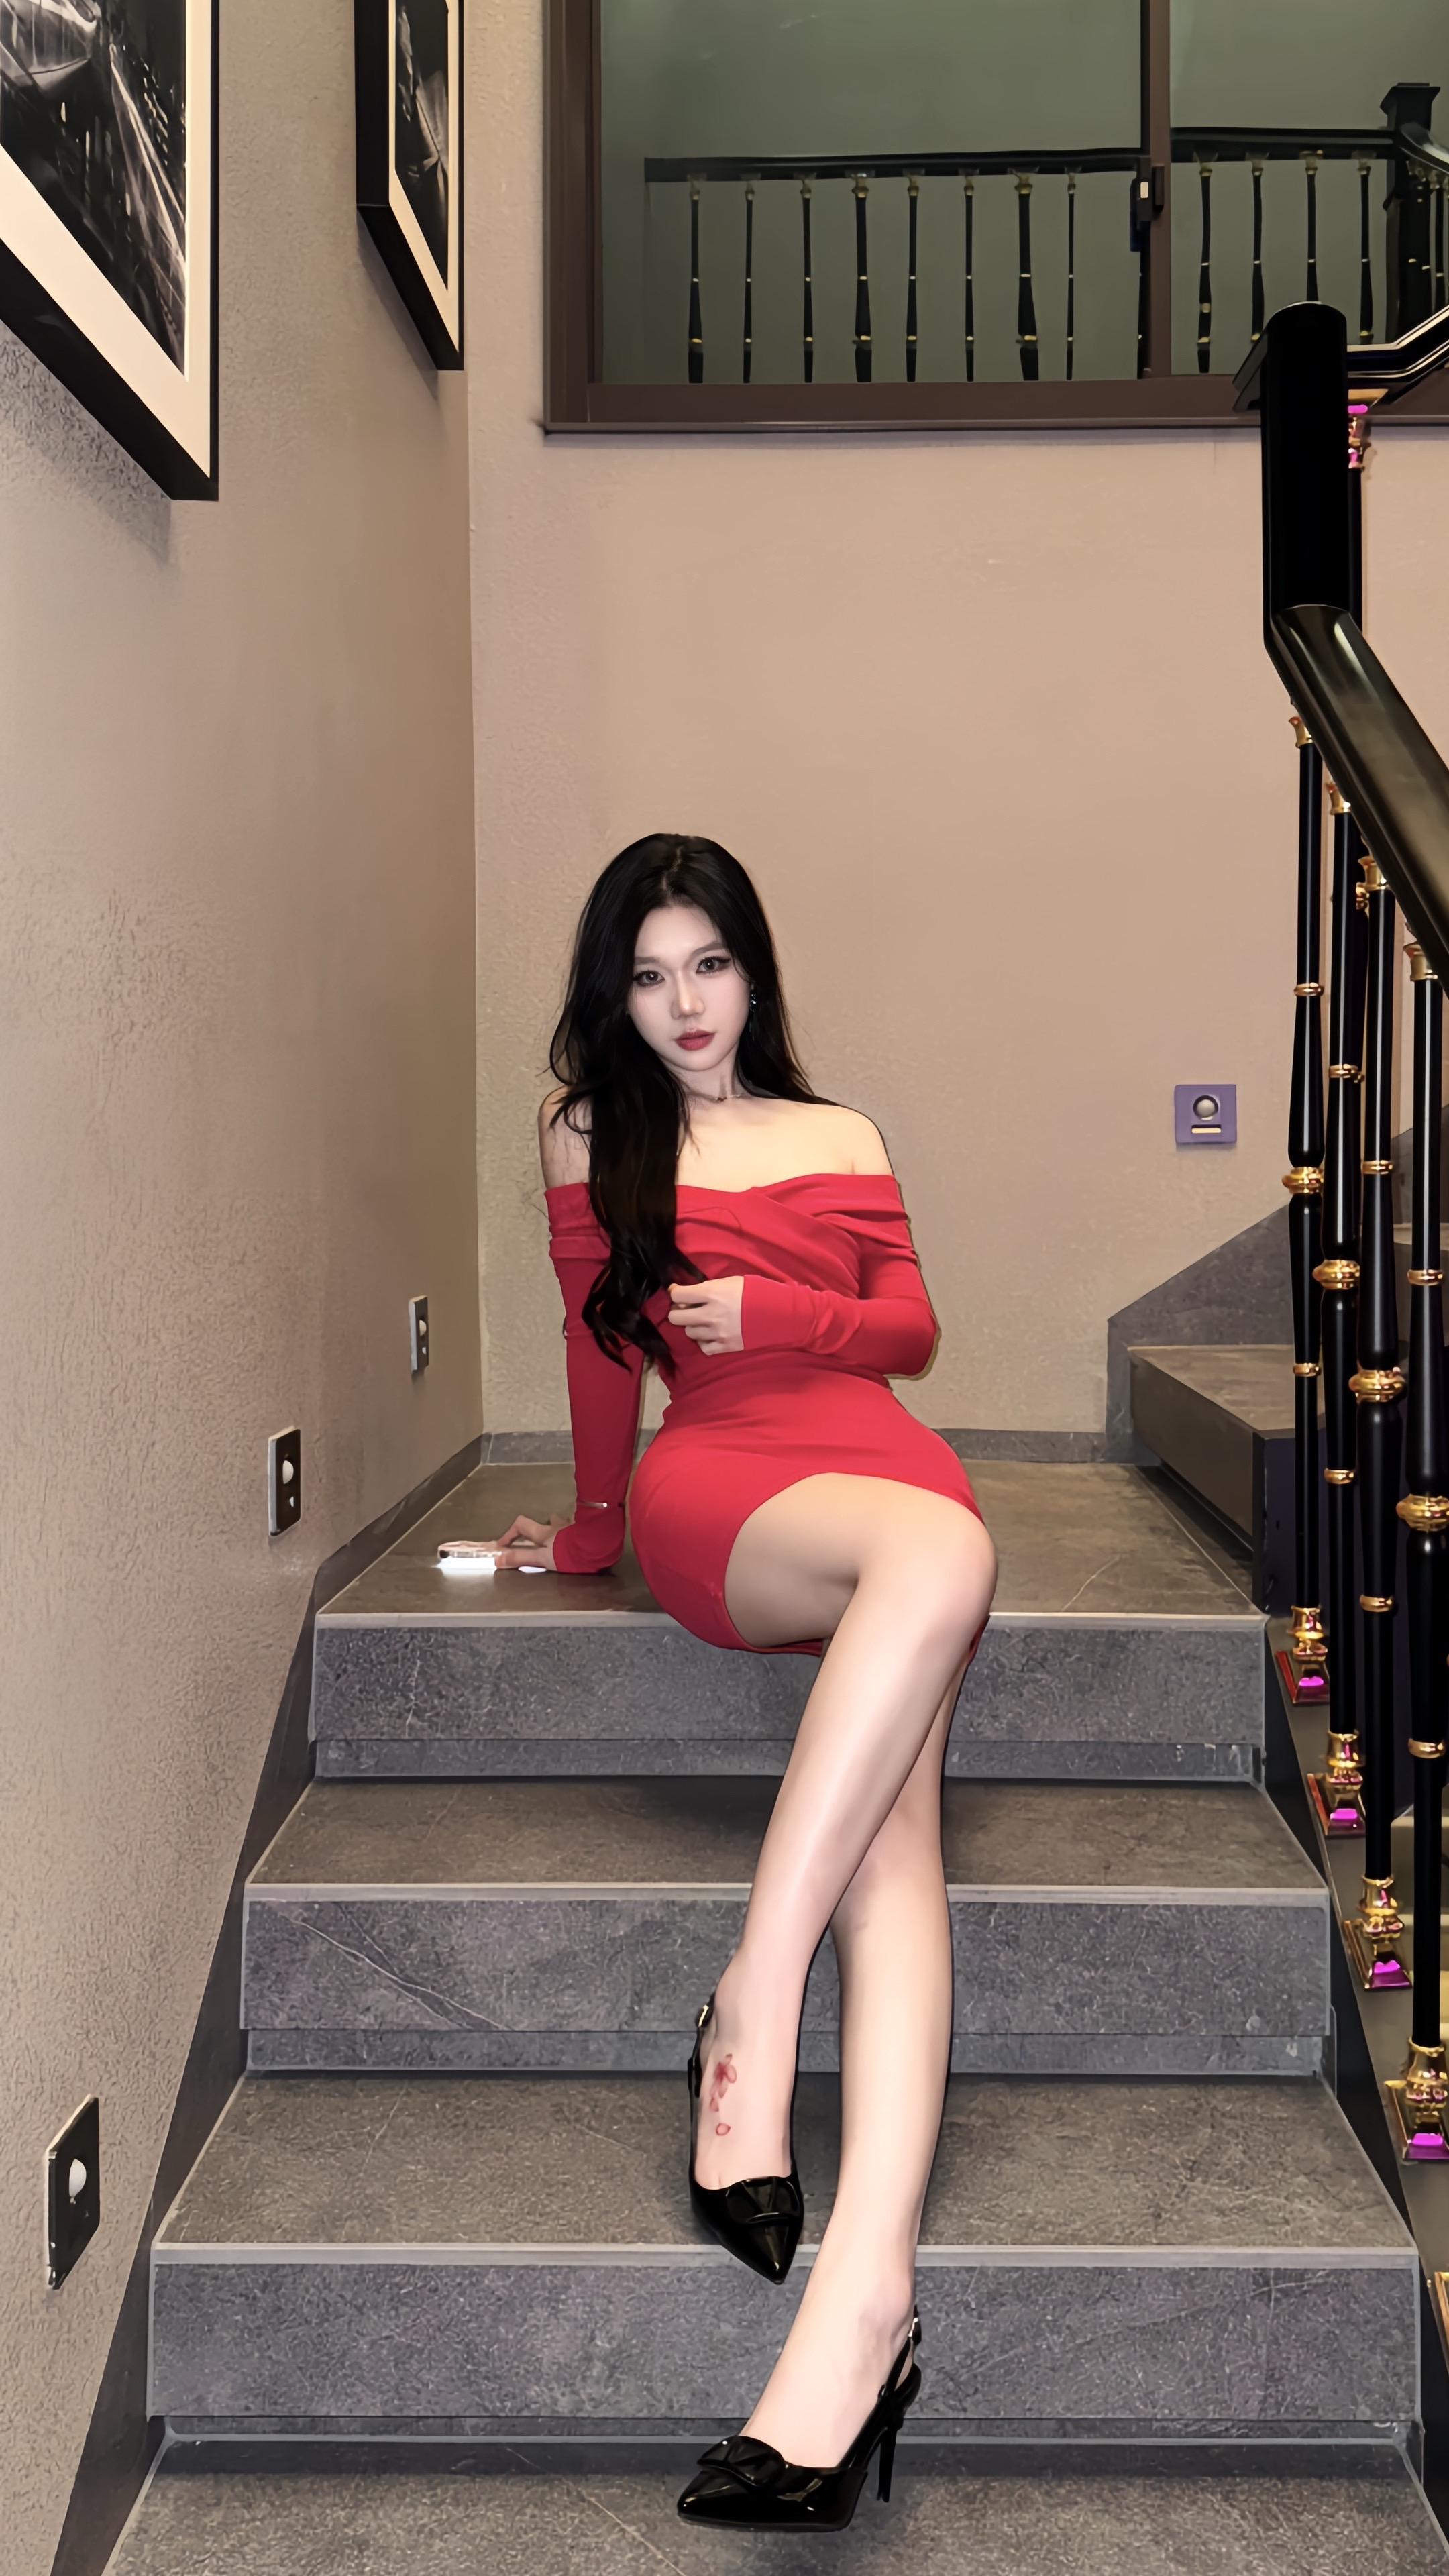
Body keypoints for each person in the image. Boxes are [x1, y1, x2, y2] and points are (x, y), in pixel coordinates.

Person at [482, 833, 997, 2530]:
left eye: (708, 964)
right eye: (648, 976)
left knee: (902, 1844)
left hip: (876, 1464)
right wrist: (591, 1529)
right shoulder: (589, 1132)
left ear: (753, 970)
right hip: (724, 1490)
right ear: (613, 996)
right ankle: (760, 2009)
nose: (684, 1005)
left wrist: (784, 1314)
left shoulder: (840, 1132)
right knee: (946, 1563)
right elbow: (595, 1351)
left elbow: (908, 1331)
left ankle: (858, 2308)